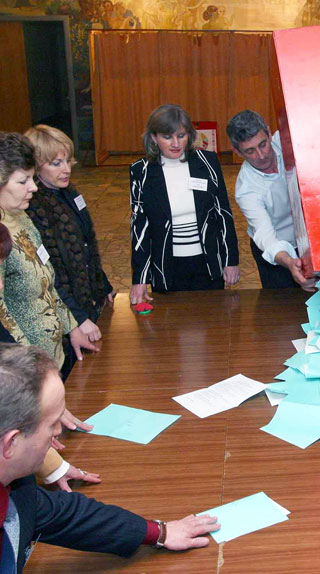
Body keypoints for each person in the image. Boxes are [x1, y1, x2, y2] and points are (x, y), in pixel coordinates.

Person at [0, 344, 220, 572]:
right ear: (11, 443)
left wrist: (159, 532)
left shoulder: (17, 487)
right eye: (52, 423)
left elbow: (67, 516)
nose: (58, 431)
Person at [0, 132, 101, 492]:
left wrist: (71, 324)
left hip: (50, 363)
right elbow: (4, 318)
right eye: (23, 180)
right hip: (25, 375)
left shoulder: (22, 218)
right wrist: (38, 387)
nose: (32, 188)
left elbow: (49, 280)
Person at [129, 105, 240, 304]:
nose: (175, 143)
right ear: (154, 138)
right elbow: (140, 228)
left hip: (207, 263)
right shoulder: (141, 171)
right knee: (172, 326)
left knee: (213, 324)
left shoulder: (208, 162)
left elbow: (223, 213)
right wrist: (140, 278)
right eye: (167, 137)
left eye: (181, 135)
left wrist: (230, 260)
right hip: (167, 265)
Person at [24, 125, 114, 344]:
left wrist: (103, 286)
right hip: (66, 315)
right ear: (36, 166)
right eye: (56, 164)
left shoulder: (70, 192)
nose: (66, 169)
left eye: (67, 161)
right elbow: (50, 275)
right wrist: (78, 319)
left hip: (87, 300)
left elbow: (86, 246)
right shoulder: (34, 207)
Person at [225, 110, 315, 291]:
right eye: (250, 151)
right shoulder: (246, 190)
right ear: (237, 151)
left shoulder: (287, 140)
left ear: (268, 132)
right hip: (278, 250)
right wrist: (289, 261)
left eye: (263, 144)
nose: (261, 155)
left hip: (312, 239)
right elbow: (267, 237)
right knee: (283, 308)